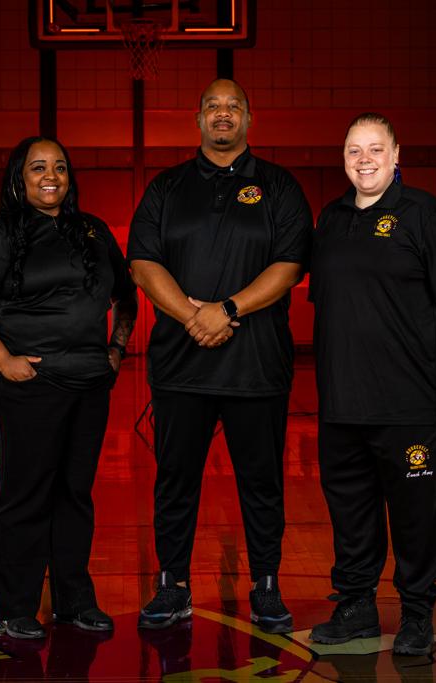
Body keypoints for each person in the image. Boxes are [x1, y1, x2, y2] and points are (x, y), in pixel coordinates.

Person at [127, 78, 313, 634]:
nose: (223, 114)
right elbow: (142, 262)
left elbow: (290, 265)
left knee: (261, 482)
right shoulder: (167, 187)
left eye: (233, 106)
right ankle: (172, 585)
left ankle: (267, 585)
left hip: (256, 367)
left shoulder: (279, 186)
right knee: (175, 480)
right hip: (181, 366)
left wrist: (227, 309)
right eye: (213, 106)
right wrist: (192, 316)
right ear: (198, 118)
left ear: (249, 119)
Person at [0, 136, 138, 639]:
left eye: (58, 166)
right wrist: (4, 361)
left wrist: (115, 349)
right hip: (29, 384)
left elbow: (126, 296)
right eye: (37, 168)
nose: (50, 175)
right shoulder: (3, 234)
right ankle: (15, 607)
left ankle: (74, 601)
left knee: (74, 494)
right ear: (19, 178)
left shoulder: (93, 231)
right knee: (25, 494)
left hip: (89, 383)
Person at [308, 113, 436, 656]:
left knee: (414, 514)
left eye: (375, 149)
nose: (364, 160)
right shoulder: (331, 220)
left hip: (406, 403)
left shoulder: (426, 215)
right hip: (341, 403)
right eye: (354, 150)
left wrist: (422, 353)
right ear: (343, 157)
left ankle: (417, 615)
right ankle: (356, 607)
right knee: (351, 513)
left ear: (396, 153)